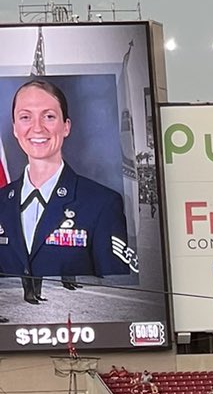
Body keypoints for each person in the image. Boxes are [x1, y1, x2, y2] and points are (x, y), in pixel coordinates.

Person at [0, 78, 135, 301]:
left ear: (66, 127)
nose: (37, 127)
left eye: (49, 116)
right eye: (25, 117)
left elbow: (116, 291)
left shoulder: (101, 203)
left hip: (80, 330)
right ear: (14, 128)